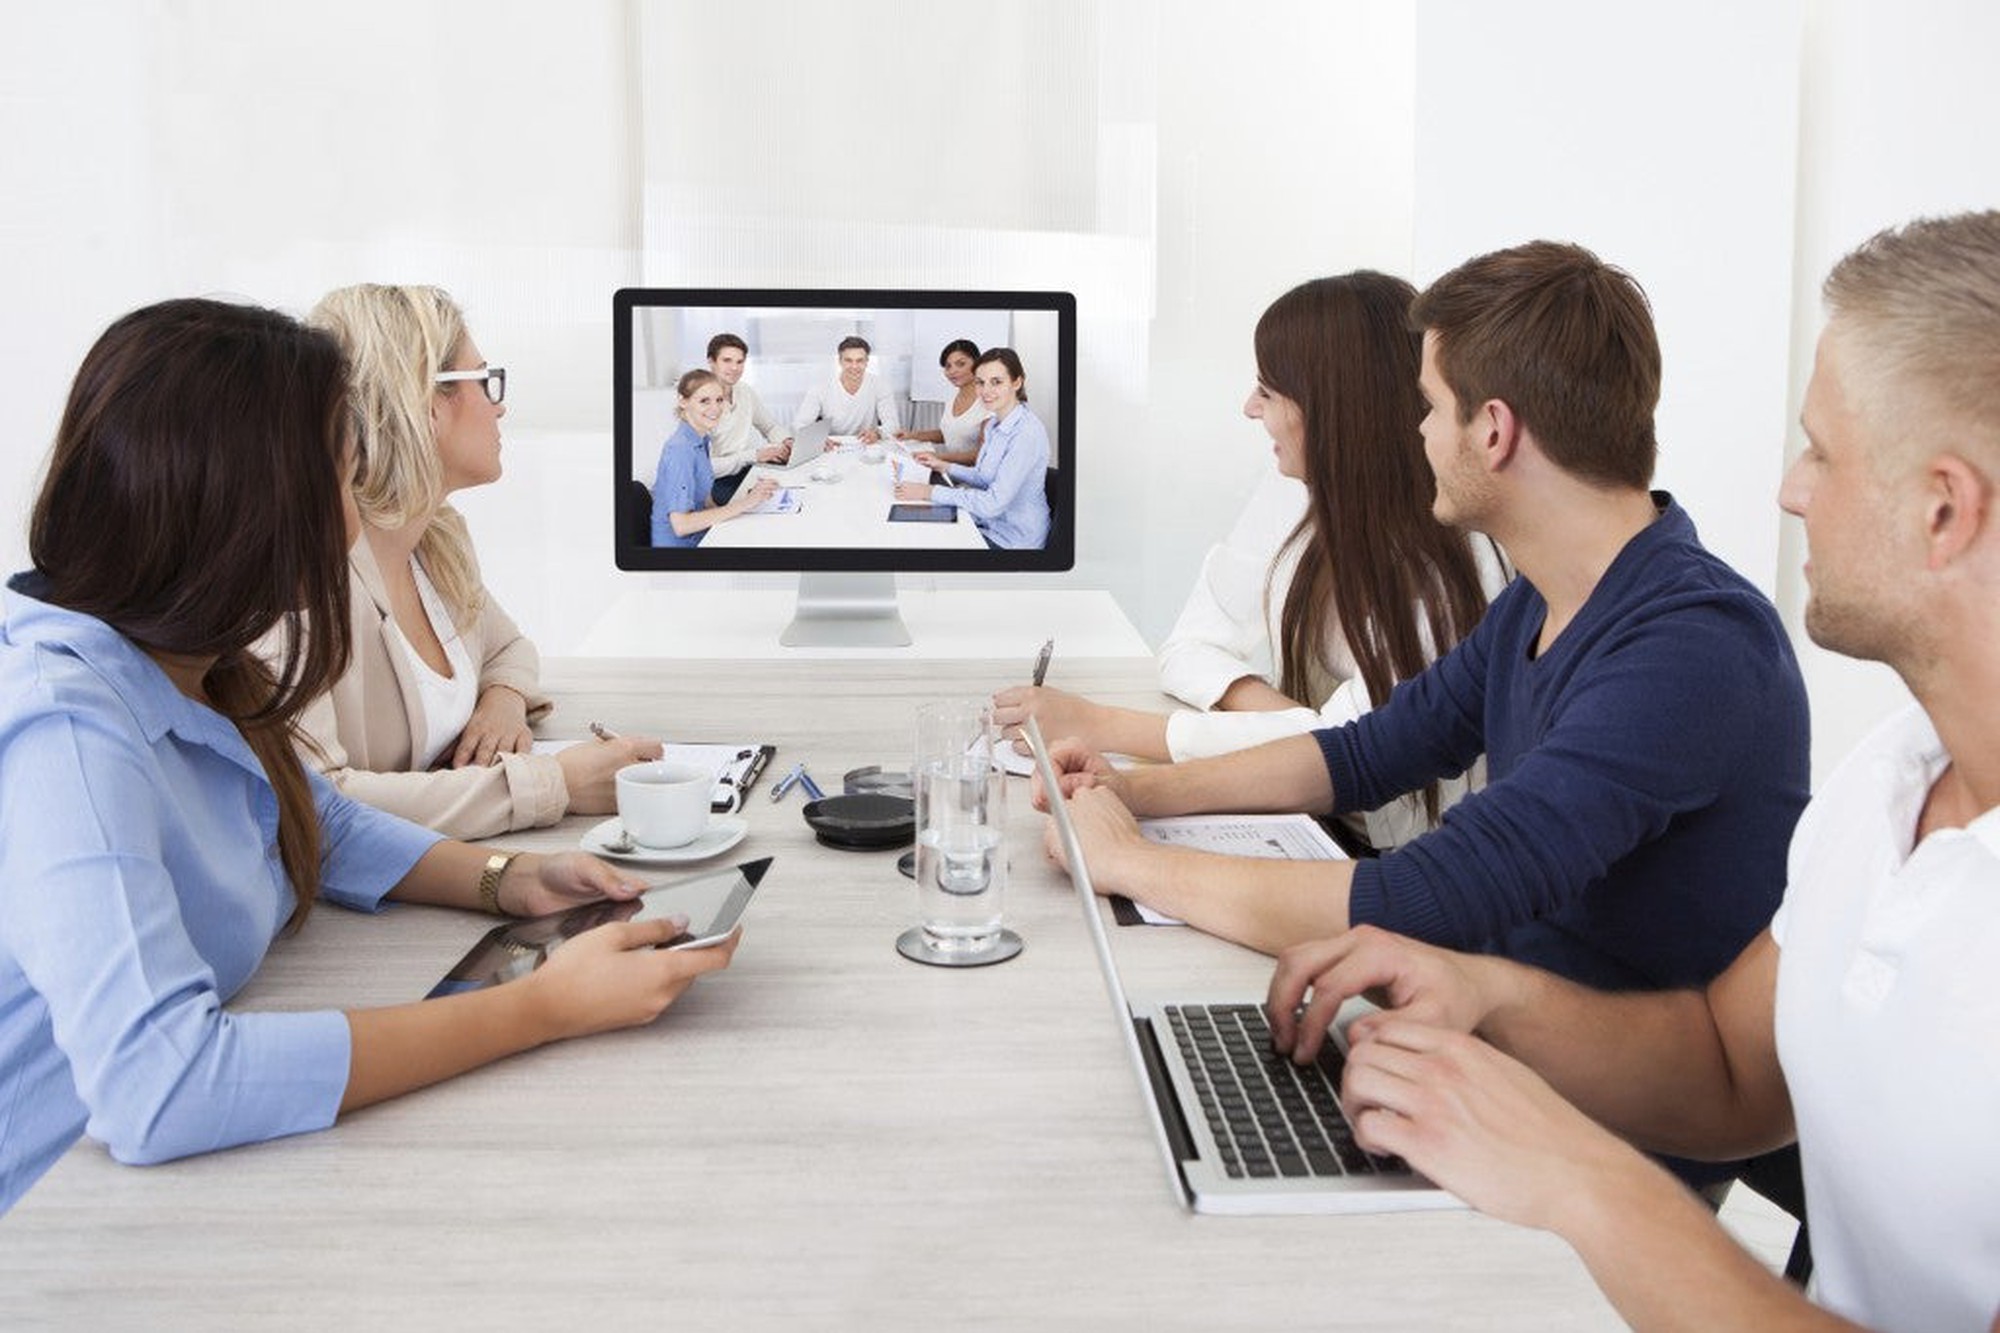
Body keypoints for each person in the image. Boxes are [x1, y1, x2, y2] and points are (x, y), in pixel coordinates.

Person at [1266, 211, 2000, 1333]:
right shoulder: (1889, 780)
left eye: (1819, 450)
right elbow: (1723, 1067)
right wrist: (1487, 1001)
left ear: (1940, 508)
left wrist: (1579, 1177)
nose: (1788, 491)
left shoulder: (1697, 637)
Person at [0, 297, 737, 1215]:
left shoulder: (189, 659)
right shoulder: (64, 736)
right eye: (344, 486)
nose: (356, 525)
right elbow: (162, 1086)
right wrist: (544, 1006)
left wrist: (515, 882)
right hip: (47, 1217)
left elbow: (313, 817)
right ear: (241, 504)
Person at [1034, 241, 1809, 994]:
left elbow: (1428, 898)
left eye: (1432, 406)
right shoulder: (1542, 599)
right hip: (1502, 1044)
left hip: (1604, 1109)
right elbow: (1367, 754)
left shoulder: (1691, 647)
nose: (1418, 432)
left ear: (1494, 431)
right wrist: (1137, 796)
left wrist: (1131, 863)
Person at [995, 273, 1504, 851]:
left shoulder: (1458, 566)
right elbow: (1188, 648)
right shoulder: (1295, 486)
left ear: (1336, 409)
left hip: (1389, 850)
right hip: (1308, 813)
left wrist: (1104, 725)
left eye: (1269, 390)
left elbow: (1355, 754)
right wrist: (1291, 722)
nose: (1249, 407)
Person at [296, 284, 659, 841]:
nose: (501, 405)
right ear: (423, 400)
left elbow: (509, 649)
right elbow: (319, 805)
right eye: (485, 381)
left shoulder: (435, 538)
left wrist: (503, 703)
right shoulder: (302, 584)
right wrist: (554, 782)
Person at [894, 347, 1051, 549]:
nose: (986, 391)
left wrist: (930, 492)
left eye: (996, 382)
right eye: (980, 382)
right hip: (988, 524)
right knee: (914, 531)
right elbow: (983, 476)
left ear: (1017, 382)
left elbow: (992, 503)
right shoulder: (995, 424)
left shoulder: (1026, 433)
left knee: (925, 546)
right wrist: (943, 466)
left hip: (1012, 539)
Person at [651, 367, 779, 548]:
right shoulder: (680, 450)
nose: (715, 408)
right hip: (681, 551)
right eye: (704, 401)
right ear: (683, 401)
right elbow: (681, 525)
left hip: (703, 533)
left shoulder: (700, 439)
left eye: (719, 400)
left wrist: (748, 504)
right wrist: (746, 503)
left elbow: (707, 500)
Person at [704, 332, 792, 505]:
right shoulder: (701, 402)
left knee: (793, 484)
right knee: (769, 502)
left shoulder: (744, 391)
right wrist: (755, 455)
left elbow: (770, 426)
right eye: (727, 360)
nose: (735, 368)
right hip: (719, 480)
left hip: (749, 467)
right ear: (711, 362)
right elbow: (705, 468)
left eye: (739, 362)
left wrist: (787, 441)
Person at [895, 338, 989, 466]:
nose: (952, 371)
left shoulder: (988, 401)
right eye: (948, 366)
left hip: (971, 476)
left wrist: (938, 457)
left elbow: (983, 454)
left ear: (977, 363)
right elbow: (950, 433)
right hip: (950, 470)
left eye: (961, 364)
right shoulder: (953, 396)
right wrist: (912, 435)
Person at [791, 335, 900, 444]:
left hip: (867, 444)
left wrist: (877, 433)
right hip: (832, 446)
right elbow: (798, 426)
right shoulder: (820, 388)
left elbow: (893, 425)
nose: (854, 366)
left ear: (867, 361)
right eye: (848, 360)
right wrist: (818, 439)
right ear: (840, 361)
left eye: (860, 361)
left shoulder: (880, 385)